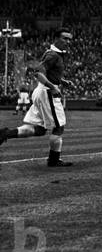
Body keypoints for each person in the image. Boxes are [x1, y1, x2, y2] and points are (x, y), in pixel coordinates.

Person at [0, 28, 76, 167]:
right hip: (47, 93)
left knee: (40, 129)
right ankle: (53, 160)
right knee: (58, 128)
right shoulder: (53, 55)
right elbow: (37, 73)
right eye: (65, 38)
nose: (68, 42)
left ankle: (5, 133)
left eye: (69, 39)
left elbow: (48, 73)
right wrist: (53, 87)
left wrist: (62, 81)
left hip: (41, 92)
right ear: (56, 38)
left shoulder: (54, 54)